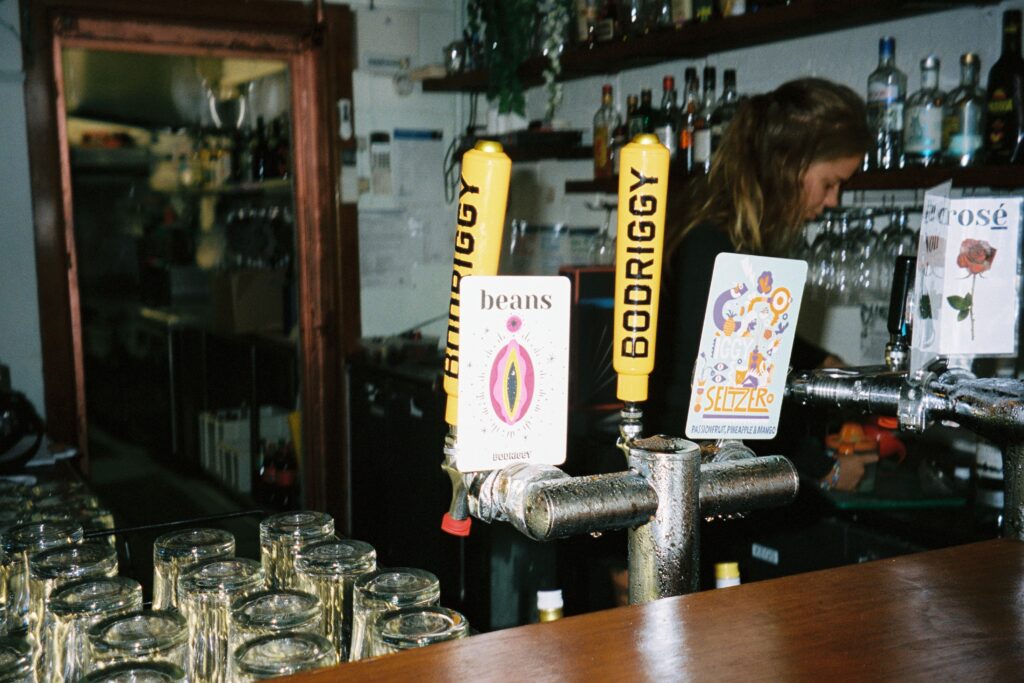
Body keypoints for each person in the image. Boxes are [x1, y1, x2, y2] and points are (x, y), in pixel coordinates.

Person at [648, 77, 875, 492]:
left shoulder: (720, 224)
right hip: (684, 480)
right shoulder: (716, 245)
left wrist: (818, 358)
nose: (833, 201)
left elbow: (736, 340)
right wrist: (824, 471)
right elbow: (717, 401)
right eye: (830, 183)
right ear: (790, 163)